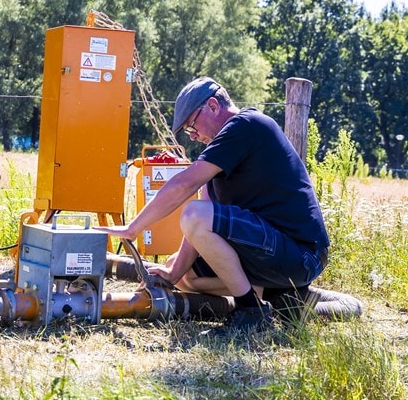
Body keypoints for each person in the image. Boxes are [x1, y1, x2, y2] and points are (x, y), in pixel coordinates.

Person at [99, 76, 330, 334]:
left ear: (212, 105)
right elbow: (198, 230)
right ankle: (280, 296)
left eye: (191, 126)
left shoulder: (246, 125)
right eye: (188, 131)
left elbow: (183, 187)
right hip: (271, 251)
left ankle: (250, 310)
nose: (193, 136)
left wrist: (132, 229)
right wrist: (174, 273)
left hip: (301, 255)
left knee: (193, 214)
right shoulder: (222, 153)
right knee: (186, 274)